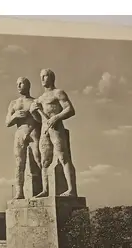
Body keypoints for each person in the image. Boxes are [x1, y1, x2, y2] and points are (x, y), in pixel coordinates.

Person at [30, 68, 77, 197]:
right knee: (44, 161)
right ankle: (45, 190)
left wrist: (56, 117)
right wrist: (34, 111)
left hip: (56, 127)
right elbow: (39, 119)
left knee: (63, 157)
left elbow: (70, 109)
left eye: (45, 76)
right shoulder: (40, 98)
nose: (42, 79)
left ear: (51, 77)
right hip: (44, 129)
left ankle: (71, 190)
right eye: (41, 76)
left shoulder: (58, 93)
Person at [5, 77, 42, 199]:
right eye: (17, 84)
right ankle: (19, 192)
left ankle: (46, 189)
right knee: (19, 164)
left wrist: (34, 113)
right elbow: (7, 122)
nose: (19, 86)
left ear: (28, 86)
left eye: (21, 83)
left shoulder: (35, 101)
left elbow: (42, 120)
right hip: (20, 132)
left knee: (39, 159)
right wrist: (15, 116)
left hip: (33, 131)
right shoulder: (14, 103)